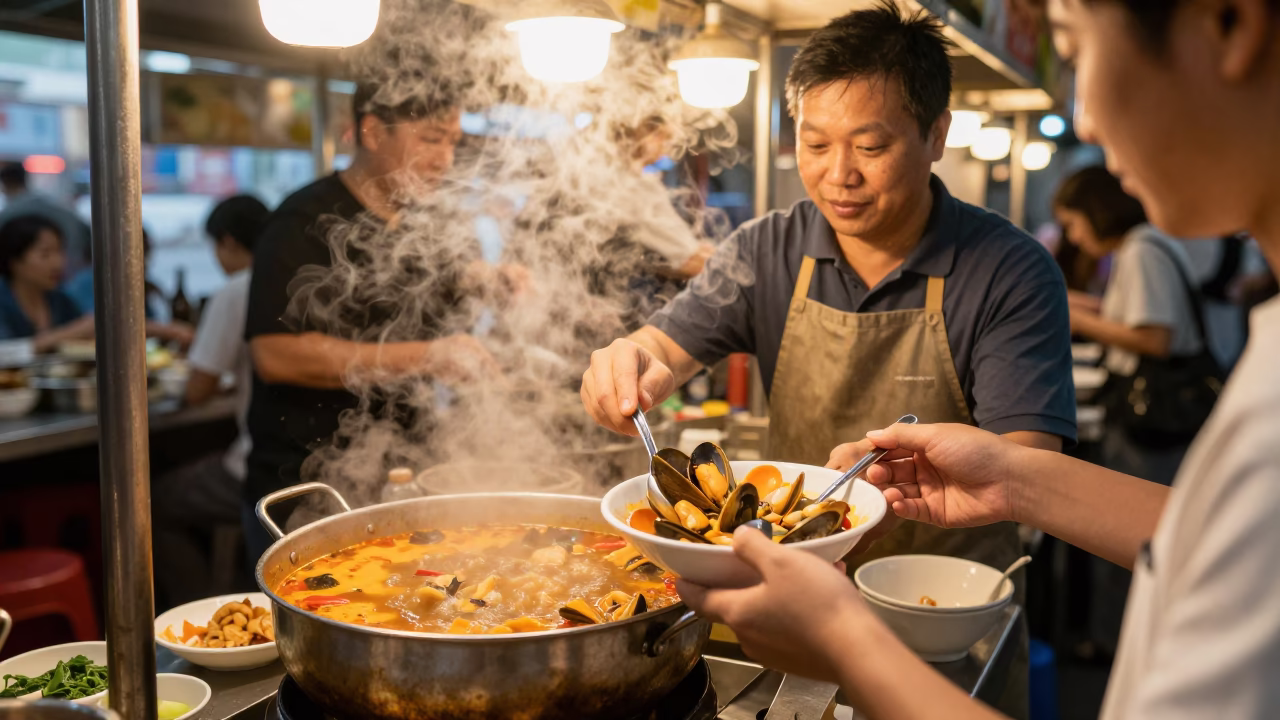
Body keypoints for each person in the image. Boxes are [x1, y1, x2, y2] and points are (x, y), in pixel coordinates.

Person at [677, 1, 1280, 718]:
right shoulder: (1263, 369)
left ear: (1230, 24)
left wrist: (842, 639)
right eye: (815, 144)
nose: (1082, 122)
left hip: (948, 620)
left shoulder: (1015, 267)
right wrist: (1012, 480)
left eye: (1076, 49)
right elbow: (1208, 543)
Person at [581, 1, 1074, 591]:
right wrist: (629, 361)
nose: (839, 175)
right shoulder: (765, 250)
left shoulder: (1011, 271)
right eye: (815, 146)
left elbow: (1030, 467)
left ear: (936, 135)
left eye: (870, 148)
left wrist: (890, 492)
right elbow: (662, 344)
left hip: (943, 607)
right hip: (784, 597)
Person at [243, 81, 495, 561]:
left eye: (453, 142)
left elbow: (442, 294)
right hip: (310, 488)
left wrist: (488, 280)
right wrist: (429, 357)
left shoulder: (427, 222)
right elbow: (274, 354)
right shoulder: (301, 222)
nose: (445, 158)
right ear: (373, 132)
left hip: (408, 474)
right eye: (430, 138)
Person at [151, 195, 269, 608]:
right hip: (298, 461)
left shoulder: (237, 290)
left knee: (152, 503)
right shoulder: (296, 280)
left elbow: (195, 390)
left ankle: (199, 605)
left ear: (230, 242)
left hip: (255, 467)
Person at [1056, 165, 1205, 485]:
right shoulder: (1139, 245)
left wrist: (1077, 318)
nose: (1074, 237)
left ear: (1097, 211)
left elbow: (1154, 338)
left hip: (1154, 407)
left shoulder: (1142, 250)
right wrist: (1073, 302)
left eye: (1073, 224)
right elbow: (1135, 313)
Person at [0, 215, 93, 350]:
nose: (58, 263)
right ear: (14, 260)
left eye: (60, 251)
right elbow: (4, 352)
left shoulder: (60, 300)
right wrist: (59, 337)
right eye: (45, 254)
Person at [0, 163, 92, 278]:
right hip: (74, 274)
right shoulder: (56, 207)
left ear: (5, 184)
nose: (57, 262)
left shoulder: (8, 215)